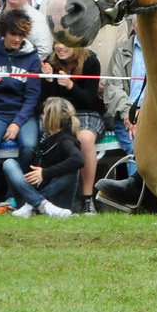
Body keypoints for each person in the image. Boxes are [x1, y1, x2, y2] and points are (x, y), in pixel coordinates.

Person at [0, 9, 42, 212]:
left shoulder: (32, 57)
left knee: (30, 145)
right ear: (4, 32)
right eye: (14, 34)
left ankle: (15, 196)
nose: (17, 39)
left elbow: (32, 97)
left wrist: (17, 123)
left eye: (22, 35)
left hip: (24, 113)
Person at [41, 39, 103, 214]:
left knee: (85, 139)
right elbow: (45, 102)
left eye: (64, 43)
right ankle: (48, 197)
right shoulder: (50, 62)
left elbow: (90, 100)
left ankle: (87, 199)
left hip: (86, 112)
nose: (59, 47)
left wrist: (70, 86)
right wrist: (47, 80)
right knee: (50, 135)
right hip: (59, 112)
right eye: (56, 43)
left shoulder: (91, 61)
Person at [4, 97, 81, 218]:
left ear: (53, 118)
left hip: (58, 204)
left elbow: (78, 160)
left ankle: (35, 205)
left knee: (73, 170)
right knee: (9, 164)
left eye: (44, 114)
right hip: (32, 196)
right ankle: (40, 204)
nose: (42, 117)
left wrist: (45, 173)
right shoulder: (46, 137)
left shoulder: (65, 140)